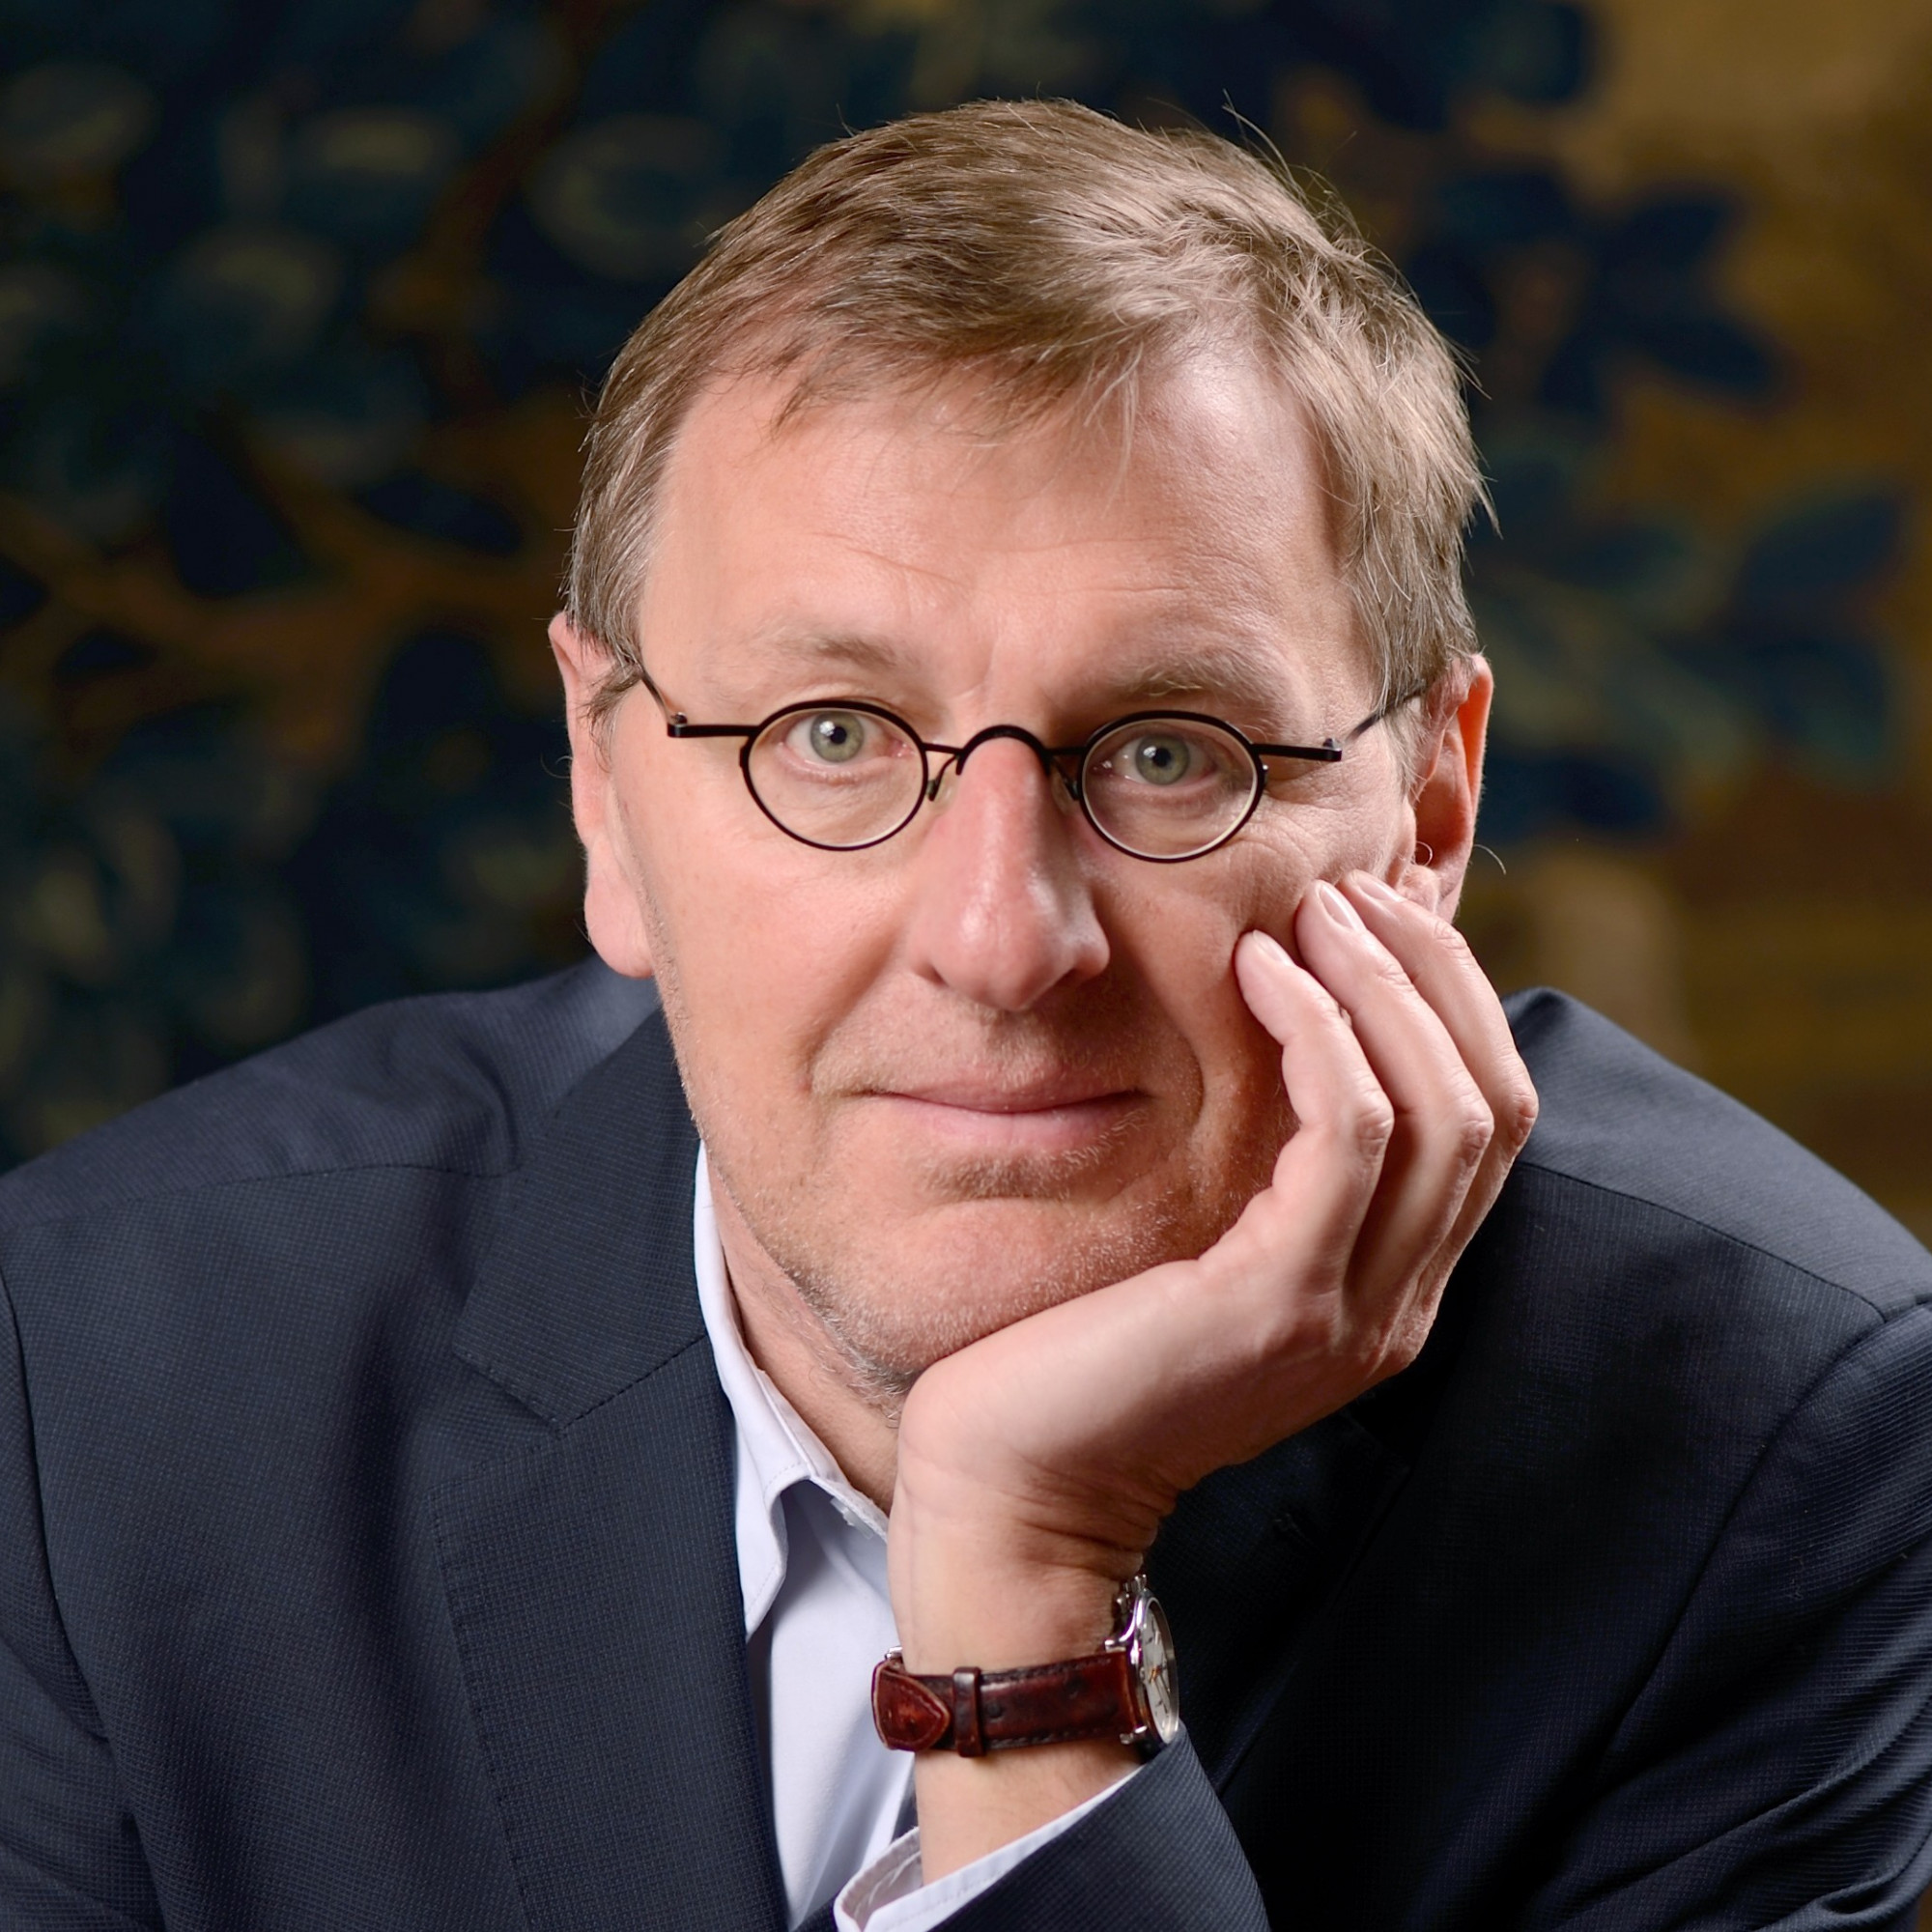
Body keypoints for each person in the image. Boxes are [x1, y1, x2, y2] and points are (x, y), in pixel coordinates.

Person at [2, 99, 1929, 1932]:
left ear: (1430, 809)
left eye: (1168, 751)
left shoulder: (1779, 1442)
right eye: (832, 737)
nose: (1004, 941)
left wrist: (1027, 1586)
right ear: (604, 788)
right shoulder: (99, 1380)